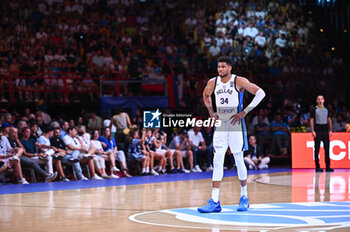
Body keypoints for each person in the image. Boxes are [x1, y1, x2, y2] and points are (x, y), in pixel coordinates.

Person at [198, 56, 265, 213]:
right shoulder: (212, 82)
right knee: (217, 159)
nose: (220, 69)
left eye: (223, 67)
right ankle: (214, 201)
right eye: (218, 67)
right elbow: (205, 95)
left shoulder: (238, 81)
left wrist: (244, 111)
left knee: (238, 159)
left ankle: (244, 197)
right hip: (221, 123)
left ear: (230, 68)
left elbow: (261, 93)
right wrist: (211, 112)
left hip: (235, 123)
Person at [310, 95, 334, 172]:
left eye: (321, 99)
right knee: (317, 149)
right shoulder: (314, 110)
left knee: (327, 149)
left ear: (324, 100)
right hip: (318, 130)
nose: (320, 100)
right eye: (319, 99)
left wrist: (331, 129)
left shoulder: (327, 109)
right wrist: (312, 130)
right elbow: (311, 120)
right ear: (317, 101)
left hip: (325, 130)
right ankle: (317, 166)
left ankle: (328, 166)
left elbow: (329, 119)